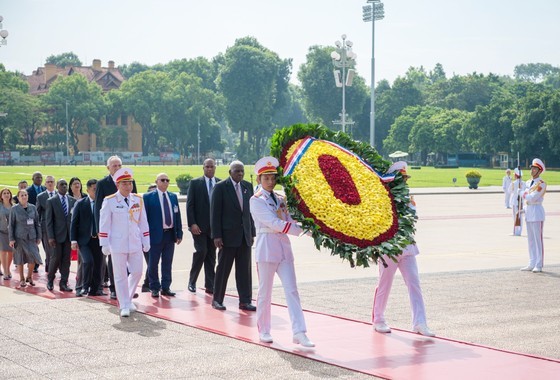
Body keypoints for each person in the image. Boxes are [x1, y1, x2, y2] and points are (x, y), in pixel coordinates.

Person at [249, 156, 315, 347]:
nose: (270, 181)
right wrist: (301, 231)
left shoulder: (280, 199)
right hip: (267, 249)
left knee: (292, 290)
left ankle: (299, 332)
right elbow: (275, 223)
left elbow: (290, 220)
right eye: (266, 178)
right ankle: (264, 330)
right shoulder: (256, 200)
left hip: (284, 250)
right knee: (265, 293)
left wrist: (311, 230)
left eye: (272, 177)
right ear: (259, 180)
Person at [372, 161, 435, 337]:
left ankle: (420, 323)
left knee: (414, 284)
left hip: (407, 247)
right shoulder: (381, 199)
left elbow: (411, 217)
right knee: (385, 284)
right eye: (400, 178)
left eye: (405, 178)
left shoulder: (408, 198)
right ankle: (378, 319)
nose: (403, 182)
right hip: (388, 248)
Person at [99, 168, 150, 317]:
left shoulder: (138, 199)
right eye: (124, 184)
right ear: (117, 185)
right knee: (120, 275)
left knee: (137, 272)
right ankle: (124, 305)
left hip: (134, 242)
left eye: (130, 183)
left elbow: (143, 222)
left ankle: (126, 299)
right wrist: (104, 243)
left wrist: (146, 239)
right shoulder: (110, 201)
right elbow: (104, 224)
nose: (128, 186)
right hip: (117, 243)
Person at [210, 160, 256, 311]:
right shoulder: (220, 187)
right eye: (237, 171)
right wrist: (216, 235)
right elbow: (215, 214)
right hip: (227, 237)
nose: (240, 173)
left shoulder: (247, 187)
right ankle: (217, 299)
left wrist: (252, 232)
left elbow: (250, 212)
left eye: (242, 171)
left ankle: (245, 300)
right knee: (223, 270)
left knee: (244, 271)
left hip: (244, 237)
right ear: (230, 172)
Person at [95, 155, 138, 300]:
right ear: (108, 168)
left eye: (119, 165)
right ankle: (115, 288)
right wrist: (100, 232)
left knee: (132, 264)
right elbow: (98, 209)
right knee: (114, 262)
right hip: (113, 230)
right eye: (114, 166)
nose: (118, 168)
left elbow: (135, 204)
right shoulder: (102, 184)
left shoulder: (130, 181)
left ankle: (128, 289)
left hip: (129, 230)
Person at [143, 173, 183, 297]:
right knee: (153, 263)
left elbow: (177, 216)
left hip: (170, 235)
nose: (165, 182)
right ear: (156, 182)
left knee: (167, 262)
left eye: (167, 180)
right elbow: (144, 218)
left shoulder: (172, 197)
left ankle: (166, 287)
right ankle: (154, 287)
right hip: (154, 235)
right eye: (162, 180)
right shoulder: (148, 197)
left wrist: (179, 233)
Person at [186, 158, 219, 294]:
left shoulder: (220, 183)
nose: (209, 169)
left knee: (211, 256)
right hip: (198, 227)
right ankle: (192, 281)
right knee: (201, 252)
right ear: (203, 168)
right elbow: (190, 205)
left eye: (212, 166)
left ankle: (210, 285)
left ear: (215, 167)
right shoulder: (195, 183)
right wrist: (192, 223)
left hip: (214, 228)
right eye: (207, 167)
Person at [70, 179, 105, 297]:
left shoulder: (103, 203)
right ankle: (83, 286)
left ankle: (96, 289)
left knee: (99, 264)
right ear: (87, 190)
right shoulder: (80, 204)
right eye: (94, 189)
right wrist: (73, 240)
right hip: (84, 240)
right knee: (88, 261)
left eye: (98, 189)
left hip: (99, 240)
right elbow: (74, 223)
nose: (97, 192)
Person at [45, 179, 76, 292]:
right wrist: (50, 236)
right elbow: (49, 221)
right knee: (55, 258)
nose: (64, 186)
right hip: (57, 236)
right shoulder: (51, 201)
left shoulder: (72, 200)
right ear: (57, 186)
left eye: (65, 184)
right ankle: (50, 280)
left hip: (69, 236)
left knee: (66, 260)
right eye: (61, 184)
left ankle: (63, 283)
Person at [8, 189, 42, 288]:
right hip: (19, 237)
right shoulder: (14, 209)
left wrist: (39, 236)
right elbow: (11, 225)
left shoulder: (33, 207)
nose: (24, 197)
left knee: (33, 256)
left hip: (31, 236)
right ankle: (22, 278)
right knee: (20, 258)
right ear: (18, 197)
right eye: (22, 195)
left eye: (25, 195)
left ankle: (29, 276)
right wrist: (11, 238)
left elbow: (37, 223)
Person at [521, 158, 547, 273]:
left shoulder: (541, 184)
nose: (532, 170)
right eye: (532, 168)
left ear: (539, 170)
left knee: (538, 240)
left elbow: (532, 197)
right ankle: (532, 262)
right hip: (529, 211)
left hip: (536, 211)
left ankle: (539, 264)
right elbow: (527, 197)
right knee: (530, 240)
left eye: (535, 168)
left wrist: (522, 193)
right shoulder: (527, 182)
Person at [36, 175, 56, 273]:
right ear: (45, 184)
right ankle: (50, 270)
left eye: (52, 181)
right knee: (48, 251)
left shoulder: (60, 195)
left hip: (59, 228)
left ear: (55, 183)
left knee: (58, 251)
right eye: (48, 182)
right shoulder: (40, 197)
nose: (50, 183)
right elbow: (37, 215)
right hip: (46, 229)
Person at [1, 188, 14, 280]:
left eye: (8, 193)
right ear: (1, 196)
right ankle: (5, 271)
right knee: (2, 251)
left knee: (10, 252)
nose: (6, 195)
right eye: (4, 193)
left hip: (12, 233)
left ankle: (8, 269)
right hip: (1, 232)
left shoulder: (14, 206)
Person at [510, 168, 526, 236]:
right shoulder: (524, 183)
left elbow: (509, 191)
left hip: (515, 202)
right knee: (520, 217)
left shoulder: (514, 183)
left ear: (516, 175)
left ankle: (515, 232)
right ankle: (519, 231)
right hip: (521, 202)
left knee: (515, 217)